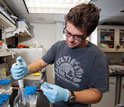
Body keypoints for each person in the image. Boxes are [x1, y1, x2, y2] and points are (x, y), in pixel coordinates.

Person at [11, 3, 109, 107]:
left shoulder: (98, 56)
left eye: (78, 36)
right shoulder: (59, 46)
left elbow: (97, 94)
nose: (70, 40)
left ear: (88, 34)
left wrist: (68, 95)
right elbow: (41, 63)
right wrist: (26, 69)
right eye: (68, 33)